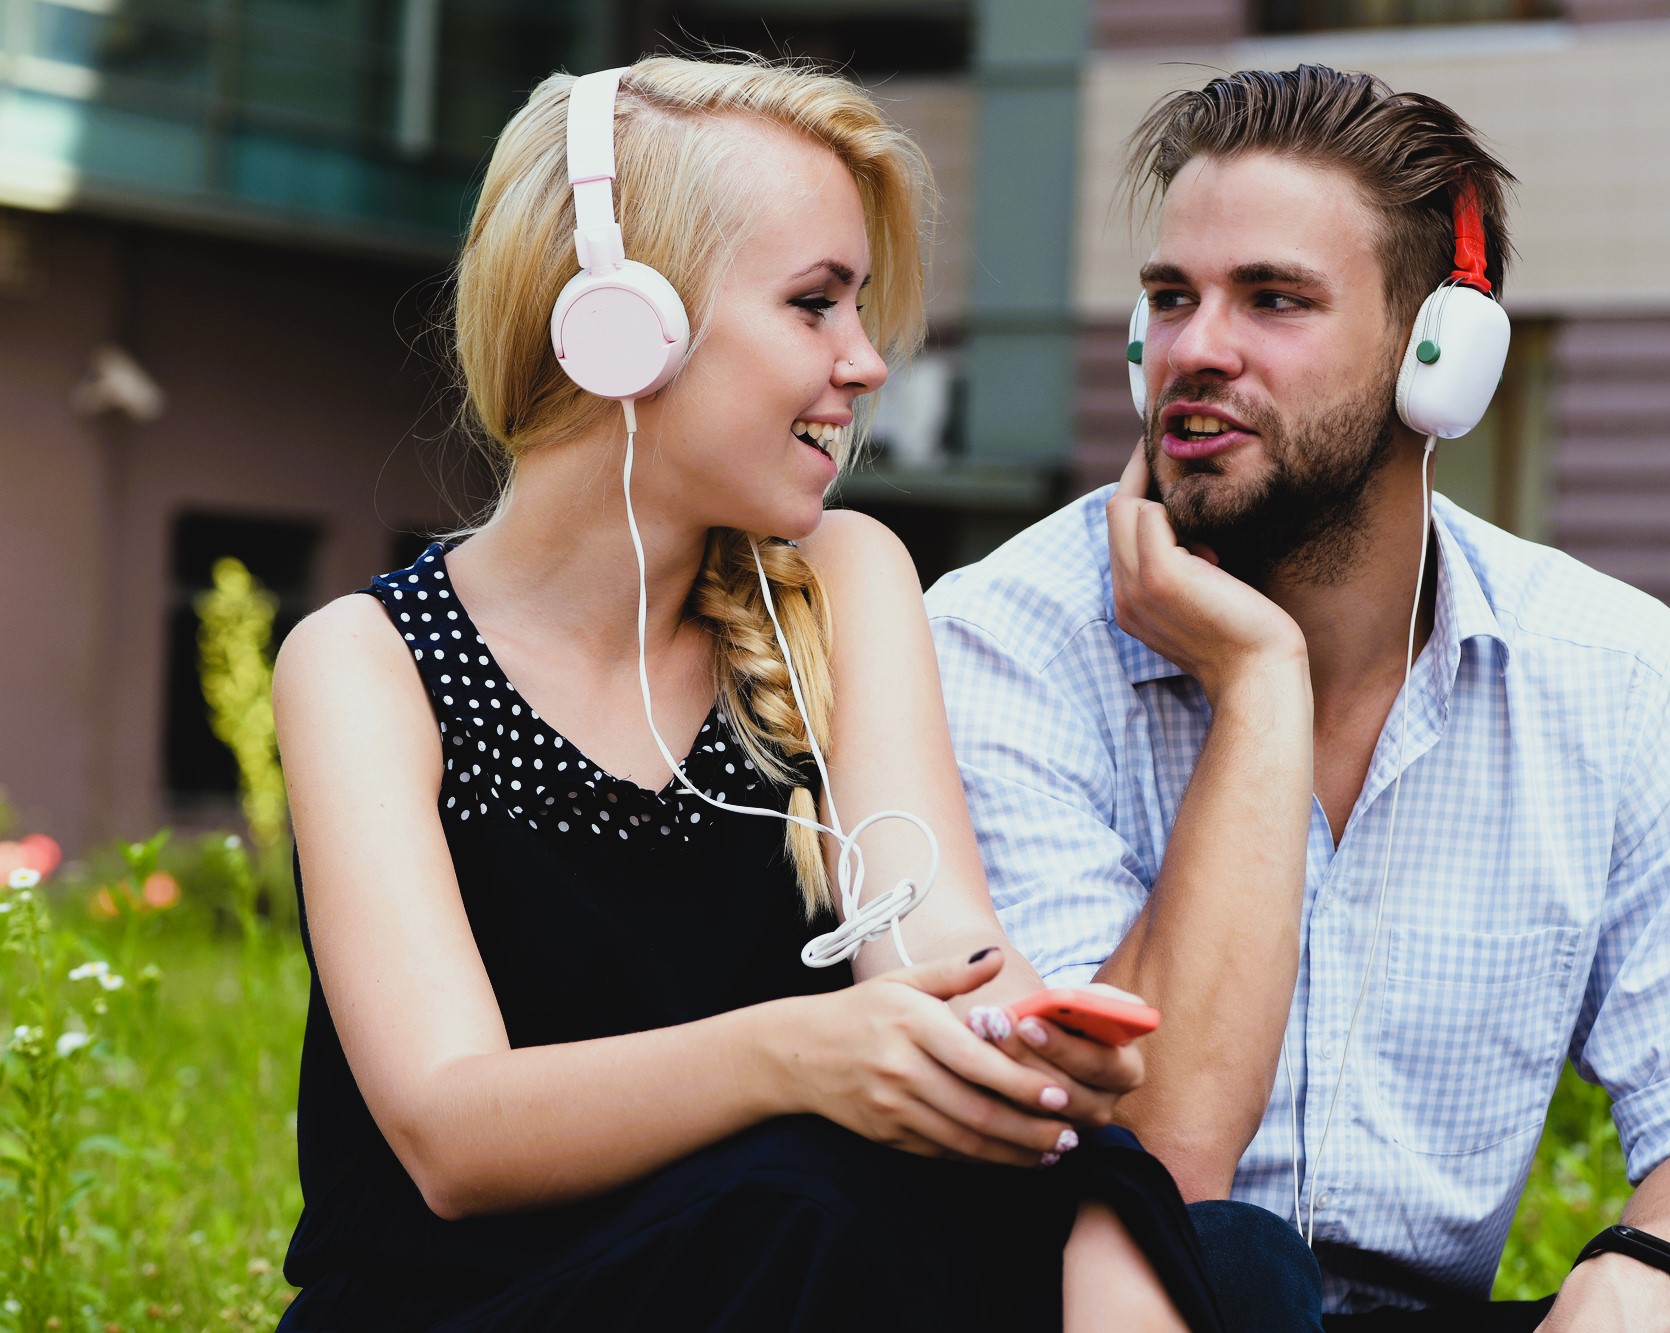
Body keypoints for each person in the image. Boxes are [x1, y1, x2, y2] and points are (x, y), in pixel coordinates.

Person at [927, 65, 1670, 1332]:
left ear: (1440, 356)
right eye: (1170, 299)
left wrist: (1628, 1282)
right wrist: (1258, 690)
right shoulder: (1003, 639)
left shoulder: (1606, 668)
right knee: (1233, 1259)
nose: (1194, 349)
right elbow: (1152, 1166)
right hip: (1127, 1300)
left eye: (1272, 299)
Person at [272, 54, 1227, 1333]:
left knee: (1217, 1255)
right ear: (621, 320)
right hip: (480, 1302)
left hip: (790, 1263)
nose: (866, 362)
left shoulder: (840, 579)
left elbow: (938, 947)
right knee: (821, 1191)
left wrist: (1022, 1036)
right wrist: (797, 1055)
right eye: (814, 304)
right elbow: (450, 1130)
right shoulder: (364, 663)